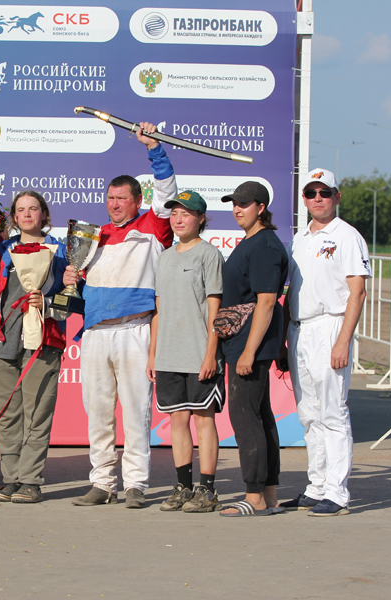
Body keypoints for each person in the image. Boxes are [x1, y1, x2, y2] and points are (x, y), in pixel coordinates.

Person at [64, 122, 174, 508]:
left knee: (136, 411)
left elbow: (167, 191)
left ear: (138, 200)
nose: (114, 204)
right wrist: (71, 279)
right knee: (97, 413)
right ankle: (102, 483)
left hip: (135, 330)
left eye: (122, 198)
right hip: (95, 333)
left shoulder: (153, 228)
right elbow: (81, 288)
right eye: (110, 198)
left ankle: (136, 484)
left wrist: (154, 149)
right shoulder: (93, 237)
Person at [278, 168, 370, 517]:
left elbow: (357, 293)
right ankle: (316, 486)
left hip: (331, 326)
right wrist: (285, 338)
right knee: (308, 415)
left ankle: (337, 491)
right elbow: (292, 292)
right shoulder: (300, 238)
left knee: (332, 412)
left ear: (336, 196)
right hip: (299, 328)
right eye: (311, 193)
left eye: (324, 192)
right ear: (303, 198)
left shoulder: (347, 236)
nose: (318, 199)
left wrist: (343, 341)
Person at [0, 190, 69, 504]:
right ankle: (11, 479)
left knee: (37, 415)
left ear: (44, 214)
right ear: (14, 217)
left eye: (33, 208)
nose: (27, 214)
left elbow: (74, 299)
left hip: (42, 341)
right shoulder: (1, 251)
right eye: (21, 210)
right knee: (6, 415)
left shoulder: (61, 251)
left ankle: (30, 481)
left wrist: (49, 303)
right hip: (0, 342)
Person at [147, 191, 225, 513]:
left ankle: (207, 490)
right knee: (177, 421)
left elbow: (215, 309)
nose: (178, 219)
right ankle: (183, 487)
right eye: (174, 213)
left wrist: (210, 354)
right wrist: (153, 353)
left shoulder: (209, 254)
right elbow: (158, 309)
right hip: (169, 355)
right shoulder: (164, 257)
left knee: (204, 421)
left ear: (201, 218)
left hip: (199, 355)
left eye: (186, 213)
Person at [216, 181, 288, 517]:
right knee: (260, 416)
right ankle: (269, 496)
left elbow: (267, 301)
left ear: (261, 207)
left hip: (250, 346)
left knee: (245, 417)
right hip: (245, 342)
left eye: (244, 204)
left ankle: (255, 496)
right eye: (234, 203)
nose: (237, 209)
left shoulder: (265, 246)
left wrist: (249, 351)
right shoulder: (252, 242)